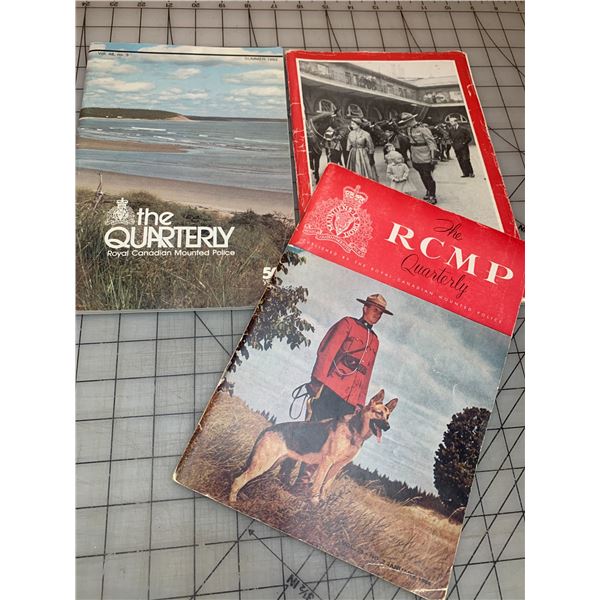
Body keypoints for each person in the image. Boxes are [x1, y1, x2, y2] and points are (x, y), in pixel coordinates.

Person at [295, 294, 393, 487]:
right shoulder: (347, 324)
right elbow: (327, 351)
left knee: (332, 444)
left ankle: (303, 484)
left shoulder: (375, 341)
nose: (377, 314)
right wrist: (317, 381)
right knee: (314, 434)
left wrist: (360, 402)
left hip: (349, 401)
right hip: (331, 389)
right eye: (375, 310)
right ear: (365, 308)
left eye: (381, 313)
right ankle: (288, 471)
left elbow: (366, 374)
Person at [398, 112, 438, 204]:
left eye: (407, 122)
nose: (406, 124)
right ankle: (428, 190)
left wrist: (433, 157)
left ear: (411, 120)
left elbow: (431, 143)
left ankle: (433, 195)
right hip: (415, 156)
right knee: (422, 175)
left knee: (428, 176)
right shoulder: (409, 129)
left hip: (425, 155)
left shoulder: (423, 129)